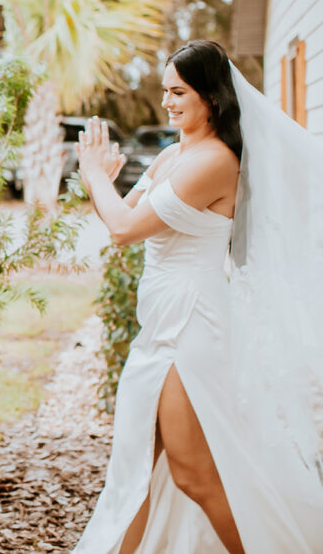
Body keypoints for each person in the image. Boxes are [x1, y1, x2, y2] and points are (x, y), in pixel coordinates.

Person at [72, 40, 323, 553]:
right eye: (165, 90)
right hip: (161, 323)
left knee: (193, 474)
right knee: (136, 467)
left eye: (178, 91)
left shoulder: (215, 162)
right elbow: (120, 218)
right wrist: (99, 183)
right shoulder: (172, 155)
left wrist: (96, 177)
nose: (167, 101)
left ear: (211, 95)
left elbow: (122, 228)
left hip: (190, 326)